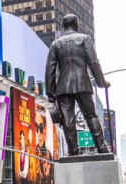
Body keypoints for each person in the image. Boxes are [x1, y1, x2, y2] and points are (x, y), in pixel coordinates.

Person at [45, 14, 111, 156]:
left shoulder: (56, 44)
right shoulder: (84, 39)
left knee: (68, 120)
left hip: (63, 87)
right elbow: (94, 62)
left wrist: (50, 92)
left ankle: (73, 151)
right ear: (76, 23)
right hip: (82, 84)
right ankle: (102, 148)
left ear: (64, 25)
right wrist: (102, 82)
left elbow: (50, 69)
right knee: (91, 116)